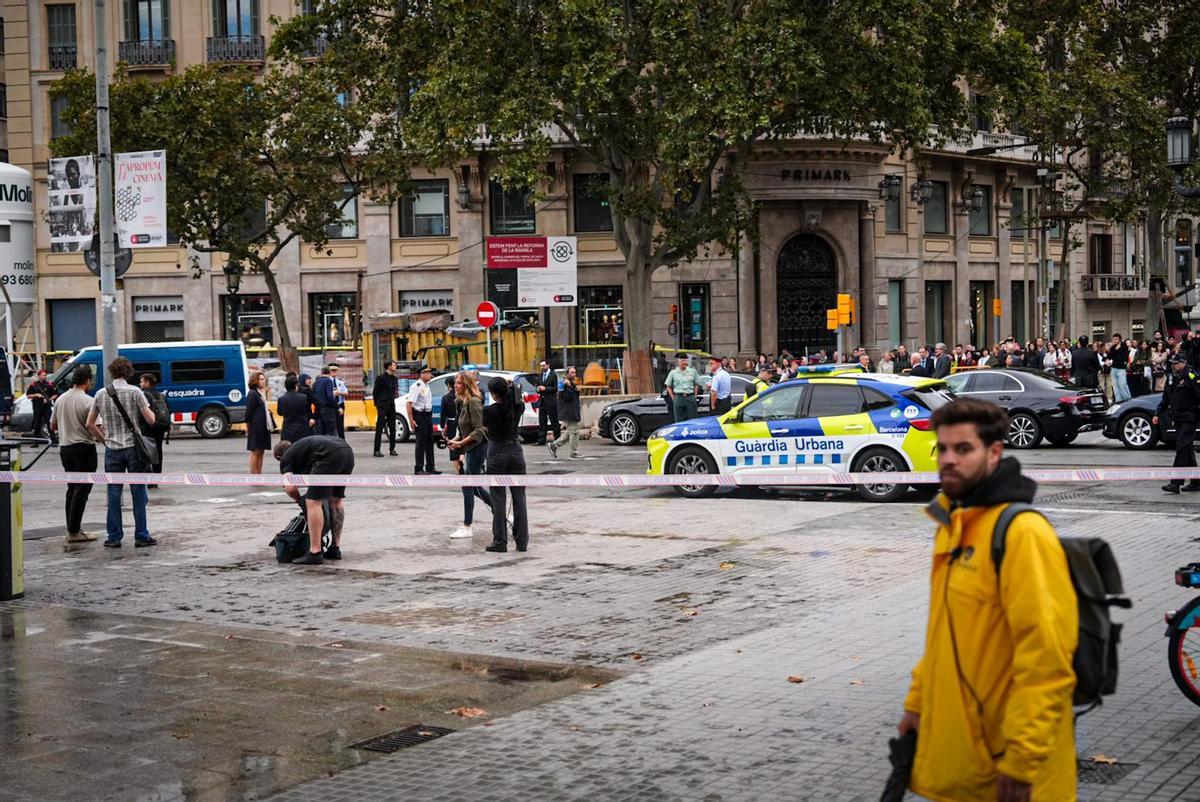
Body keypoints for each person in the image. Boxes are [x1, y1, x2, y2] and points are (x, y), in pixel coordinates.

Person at [898, 398, 1077, 802]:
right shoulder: (953, 525)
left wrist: (1023, 759)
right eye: (942, 449)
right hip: (964, 764)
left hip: (1011, 771)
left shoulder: (1021, 534)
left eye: (963, 450)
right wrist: (917, 706)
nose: (948, 460)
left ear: (994, 452)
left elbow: (1047, 659)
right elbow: (944, 637)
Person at [86, 356, 158, 548]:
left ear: (111, 372)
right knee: (138, 492)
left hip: (113, 449)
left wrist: (104, 440)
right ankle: (141, 535)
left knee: (114, 493)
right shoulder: (135, 392)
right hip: (134, 449)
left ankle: (114, 537)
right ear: (128, 373)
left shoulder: (101, 394)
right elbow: (151, 420)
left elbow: (90, 424)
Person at [274, 435, 355, 565]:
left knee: (312, 502)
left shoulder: (286, 457)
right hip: (347, 452)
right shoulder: (302, 448)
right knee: (336, 500)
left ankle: (315, 552)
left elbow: (289, 487)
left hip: (328, 455)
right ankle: (335, 548)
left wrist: (299, 500)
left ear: (279, 457)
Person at [50, 364, 97, 543]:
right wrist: (103, 438)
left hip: (66, 448)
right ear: (87, 381)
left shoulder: (61, 399)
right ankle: (75, 532)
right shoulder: (88, 401)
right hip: (84, 448)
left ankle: (71, 528)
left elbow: (52, 425)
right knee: (82, 490)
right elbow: (93, 426)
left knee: (72, 488)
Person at [483, 376, 528, 552]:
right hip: (516, 451)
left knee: (498, 499)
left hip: (496, 452)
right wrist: (512, 388)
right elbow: (518, 399)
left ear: (494, 394)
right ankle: (522, 541)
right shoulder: (517, 407)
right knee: (519, 498)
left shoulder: (490, 411)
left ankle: (500, 541)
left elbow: (485, 427)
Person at [447, 371, 493, 538]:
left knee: (468, 484)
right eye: (455, 382)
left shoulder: (473, 401)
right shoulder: (461, 401)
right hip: (470, 446)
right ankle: (500, 512)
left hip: (478, 446)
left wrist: (460, 443)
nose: (455, 386)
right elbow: (464, 428)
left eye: (458, 383)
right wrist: (456, 439)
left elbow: (478, 431)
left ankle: (467, 526)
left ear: (466, 385)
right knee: (473, 486)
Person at [1156, 354, 1200, 494]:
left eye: (1176, 363)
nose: (1173, 366)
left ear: (1184, 363)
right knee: (1187, 449)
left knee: (1181, 448)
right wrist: (1158, 413)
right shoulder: (1171, 378)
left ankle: (1175, 483)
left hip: (1190, 418)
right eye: (1172, 363)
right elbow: (1166, 398)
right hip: (1178, 418)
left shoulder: (1192, 377)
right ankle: (1196, 481)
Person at [407, 365, 438, 475]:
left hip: (427, 415)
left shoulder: (426, 386)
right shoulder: (417, 386)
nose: (430, 374)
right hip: (420, 416)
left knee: (430, 441)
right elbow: (409, 403)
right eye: (428, 372)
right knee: (421, 443)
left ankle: (430, 466)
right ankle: (419, 468)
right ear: (422, 374)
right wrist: (411, 420)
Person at [138, 373, 170, 479]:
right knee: (158, 450)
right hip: (161, 427)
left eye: (142, 381)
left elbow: (142, 412)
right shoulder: (161, 395)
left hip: (148, 428)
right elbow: (169, 409)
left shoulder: (145, 395)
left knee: (148, 452)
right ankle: (157, 475)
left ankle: (150, 478)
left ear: (148, 382)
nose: (140, 384)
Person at [549, 365, 582, 459]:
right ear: (567, 374)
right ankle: (574, 453)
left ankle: (554, 445)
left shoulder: (570, 383)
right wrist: (569, 386)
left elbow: (576, 392)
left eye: (575, 372)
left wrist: (571, 385)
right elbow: (568, 396)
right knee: (574, 431)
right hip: (568, 411)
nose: (574, 374)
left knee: (571, 432)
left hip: (572, 410)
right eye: (572, 372)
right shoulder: (563, 383)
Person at [244, 371, 271, 474]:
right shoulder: (253, 393)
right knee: (255, 451)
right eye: (261, 379)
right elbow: (248, 413)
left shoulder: (262, 393)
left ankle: (259, 474)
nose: (264, 381)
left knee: (261, 451)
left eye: (264, 379)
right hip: (256, 426)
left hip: (264, 426)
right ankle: (252, 475)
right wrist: (248, 428)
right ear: (255, 380)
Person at [372, 360, 399, 457]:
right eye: (394, 365)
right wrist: (377, 404)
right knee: (379, 427)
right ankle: (376, 450)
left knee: (392, 427)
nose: (395, 366)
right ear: (388, 366)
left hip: (391, 405)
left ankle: (392, 449)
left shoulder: (395, 378)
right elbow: (376, 392)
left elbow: (394, 391)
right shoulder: (381, 378)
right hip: (382, 405)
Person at [664, 353, 702, 421]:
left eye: (685, 361)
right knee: (679, 420)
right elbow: (668, 386)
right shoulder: (673, 373)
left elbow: (696, 384)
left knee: (693, 419)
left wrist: (695, 396)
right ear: (679, 361)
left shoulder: (692, 371)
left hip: (690, 397)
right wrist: (673, 398)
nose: (684, 362)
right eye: (682, 361)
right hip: (679, 398)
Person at [277, 375, 314, 443]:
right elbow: (307, 410)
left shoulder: (281, 399)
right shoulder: (304, 397)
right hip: (302, 429)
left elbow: (280, 412)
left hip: (288, 429)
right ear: (296, 386)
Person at [535, 359, 560, 445]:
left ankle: (557, 439)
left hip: (551, 401)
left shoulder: (553, 375)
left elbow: (555, 388)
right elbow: (537, 385)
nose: (542, 367)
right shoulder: (540, 375)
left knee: (554, 421)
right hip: (542, 401)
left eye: (544, 366)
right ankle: (541, 440)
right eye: (541, 366)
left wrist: (546, 389)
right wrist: (537, 389)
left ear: (548, 365)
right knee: (542, 421)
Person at [26, 368, 57, 439]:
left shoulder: (49, 384)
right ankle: (36, 441)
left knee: (49, 423)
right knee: (37, 424)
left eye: (45, 375)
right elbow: (28, 396)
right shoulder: (34, 385)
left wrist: (48, 399)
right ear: (39, 376)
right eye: (43, 375)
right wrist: (36, 395)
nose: (45, 376)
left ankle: (53, 440)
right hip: (37, 407)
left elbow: (55, 395)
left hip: (46, 407)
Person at [440, 375, 460, 471]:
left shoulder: (445, 398)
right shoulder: (461, 395)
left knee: (452, 446)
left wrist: (442, 427)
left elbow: (443, 414)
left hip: (451, 423)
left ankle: (459, 470)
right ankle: (462, 464)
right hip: (461, 423)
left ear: (448, 385)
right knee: (461, 446)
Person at [313, 366, 339, 436]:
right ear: (329, 372)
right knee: (331, 431)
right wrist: (337, 407)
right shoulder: (328, 381)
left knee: (321, 431)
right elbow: (330, 396)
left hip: (318, 410)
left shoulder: (316, 382)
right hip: (328, 410)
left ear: (321, 372)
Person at [1109, 333, 1131, 403]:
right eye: (1113, 339)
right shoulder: (1113, 348)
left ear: (1120, 340)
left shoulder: (1124, 346)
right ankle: (1119, 401)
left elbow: (1125, 357)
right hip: (1114, 368)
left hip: (1121, 368)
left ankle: (1128, 400)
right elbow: (1110, 356)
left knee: (1122, 384)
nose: (1114, 340)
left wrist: (1124, 364)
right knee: (1115, 386)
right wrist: (1115, 349)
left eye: (1116, 339)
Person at [333, 368, 349, 438]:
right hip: (331, 405)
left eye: (335, 371)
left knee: (340, 424)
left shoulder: (340, 382)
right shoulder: (327, 381)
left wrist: (339, 393)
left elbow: (346, 393)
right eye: (332, 371)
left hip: (340, 403)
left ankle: (342, 439)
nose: (334, 372)